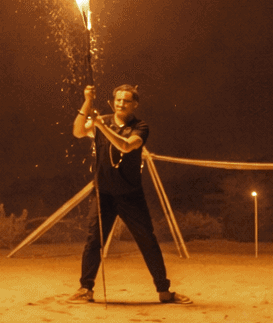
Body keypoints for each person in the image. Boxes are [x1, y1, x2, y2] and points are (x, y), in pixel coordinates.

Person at [70, 84, 187, 304]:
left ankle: (164, 290)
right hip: (103, 193)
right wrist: (87, 101)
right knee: (94, 240)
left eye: (126, 100)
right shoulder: (102, 119)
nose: (120, 103)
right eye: (118, 99)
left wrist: (100, 126)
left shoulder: (140, 127)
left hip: (130, 195)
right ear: (112, 101)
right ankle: (85, 289)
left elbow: (125, 146)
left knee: (147, 241)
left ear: (135, 104)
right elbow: (77, 131)